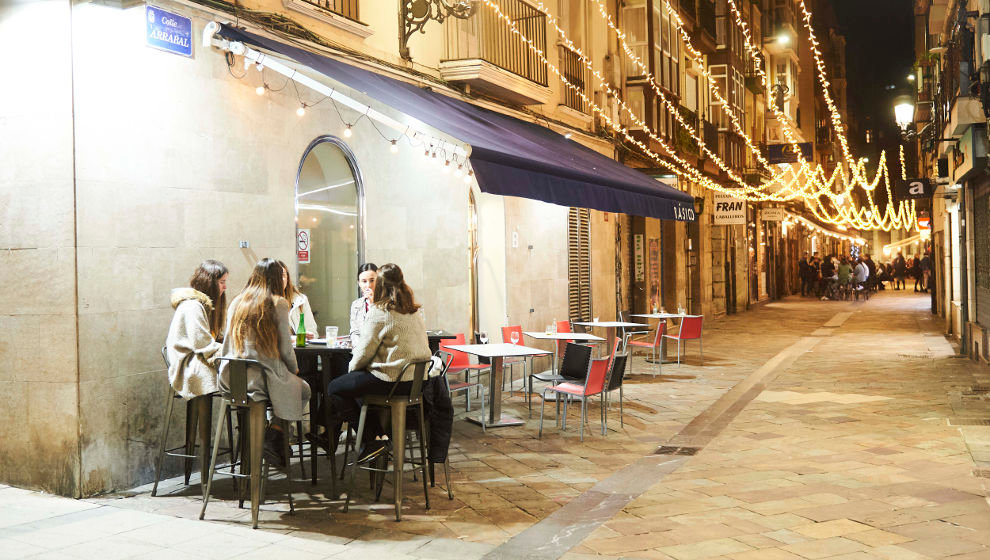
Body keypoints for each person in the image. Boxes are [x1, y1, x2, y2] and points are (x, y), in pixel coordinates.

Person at [327, 263, 433, 461]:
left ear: (381, 284)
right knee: (358, 390)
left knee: (335, 387)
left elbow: (362, 354)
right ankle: (379, 436)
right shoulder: (413, 310)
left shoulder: (380, 312)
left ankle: (372, 440)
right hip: (418, 383)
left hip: (392, 382)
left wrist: (351, 370)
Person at [220, 258, 311, 466]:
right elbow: (286, 347)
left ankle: (269, 439)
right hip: (261, 379)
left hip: (232, 378)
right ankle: (274, 433)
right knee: (303, 389)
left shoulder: (237, 301)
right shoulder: (278, 302)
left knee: (287, 387)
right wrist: (293, 368)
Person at [166, 260, 228, 399]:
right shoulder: (193, 306)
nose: (225, 287)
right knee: (240, 376)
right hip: (187, 364)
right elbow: (202, 344)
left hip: (196, 358)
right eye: (222, 282)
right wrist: (230, 351)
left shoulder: (203, 306)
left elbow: (212, 338)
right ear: (209, 282)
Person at [278, 260, 317, 339]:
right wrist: (296, 338)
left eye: (283, 275)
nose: (280, 279)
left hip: (300, 349)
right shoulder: (264, 302)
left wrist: (308, 335)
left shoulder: (300, 300)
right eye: (276, 276)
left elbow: (313, 332)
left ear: (287, 278)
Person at [349, 263, 378, 344]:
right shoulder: (356, 305)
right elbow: (354, 331)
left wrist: (372, 303)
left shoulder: (386, 303)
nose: (368, 285)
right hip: (361, 350)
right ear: (359, 283)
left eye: (372, 280)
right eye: (364, 281)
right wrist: (359, 348)